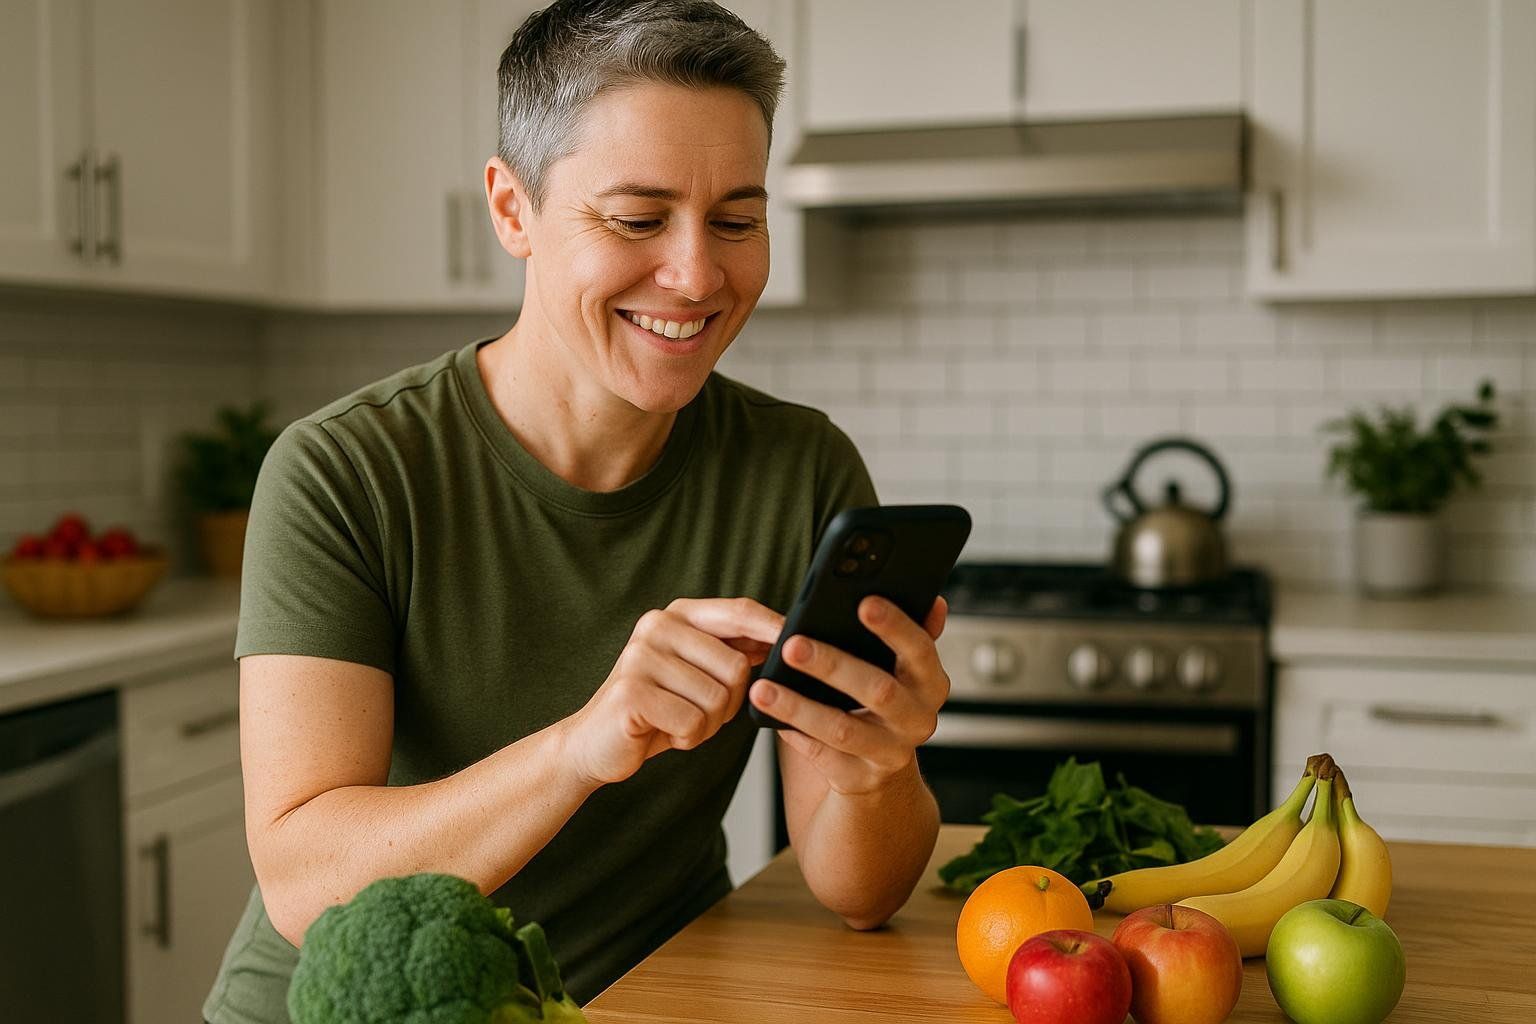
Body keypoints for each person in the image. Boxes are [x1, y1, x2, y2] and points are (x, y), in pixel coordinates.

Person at [202, 2, 950, 1020]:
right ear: (513, 211)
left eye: (736, 219)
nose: (696, 275)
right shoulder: (345, 472)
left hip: (644, 995)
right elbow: (301, 882)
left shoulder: (801, 469)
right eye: (637, 219)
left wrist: (879, 768)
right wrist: (582, 746)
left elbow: (857, 893)